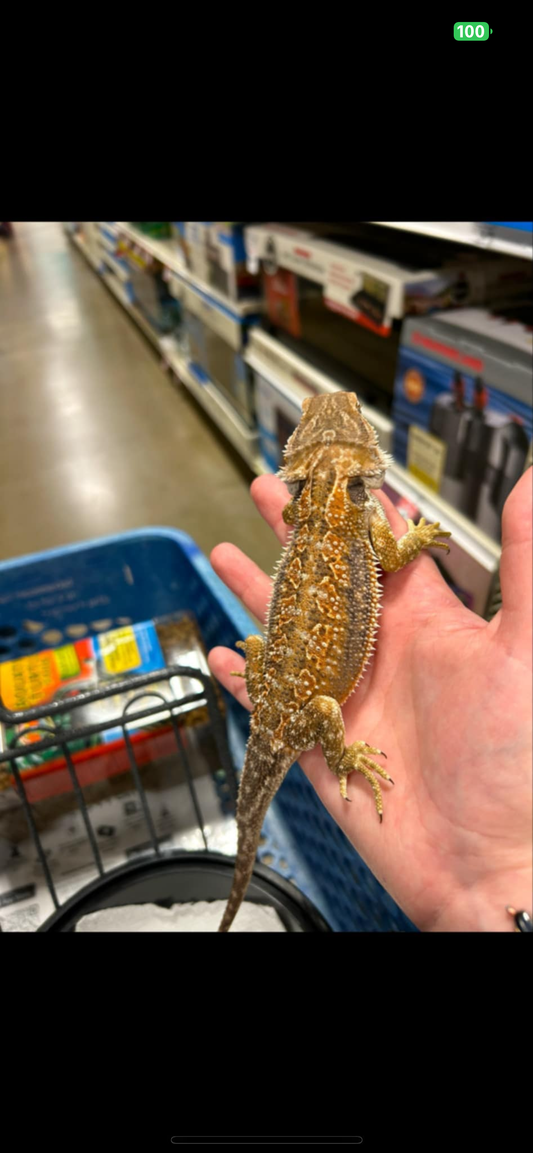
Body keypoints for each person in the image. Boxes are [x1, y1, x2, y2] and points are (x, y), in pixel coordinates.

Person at [208, 468, 532, 932]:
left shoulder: (343, 512)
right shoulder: (331, 513)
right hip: (289, 707)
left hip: (281, 685)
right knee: (320, 708)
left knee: (280, 670)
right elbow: (388, 550)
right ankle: (339, 760)